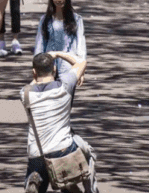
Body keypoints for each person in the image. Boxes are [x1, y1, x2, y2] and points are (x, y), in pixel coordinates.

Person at [20, 51, 98, 193]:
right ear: (54, 69)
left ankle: (34, 179)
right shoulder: (65, 85)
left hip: (37, 152)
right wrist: (57, 54)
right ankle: (79, 187)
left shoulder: (25, 94)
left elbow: (31, 84)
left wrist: (36, 74)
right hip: (63, 150)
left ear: (34, 73)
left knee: (39, 172)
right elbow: (81, 62)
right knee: (87, 153)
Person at [34, 0, 87, 81]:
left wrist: (81, 71)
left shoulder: (77, 19)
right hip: (48, 70)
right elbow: (39, 45)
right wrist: (37, 69)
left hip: (69, 69)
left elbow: (81, 46)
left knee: (67, 96)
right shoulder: (45, 20)